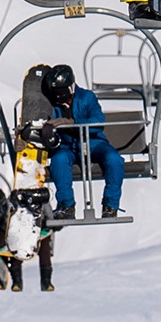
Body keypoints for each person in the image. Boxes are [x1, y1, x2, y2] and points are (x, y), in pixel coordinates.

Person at [40, 64, 124, 219]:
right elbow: (42, 121)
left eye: (62, 92)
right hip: (68, 146)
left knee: (114, 159)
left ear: (70, 88)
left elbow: (98, 121)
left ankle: (110, 205)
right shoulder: (51, 104)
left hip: (93, 143)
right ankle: (66, 206)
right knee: (59, 160)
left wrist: (71, 122)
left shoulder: (86, 97)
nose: (58, 97)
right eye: (55, 93)